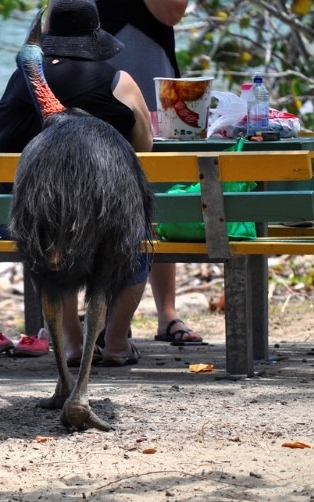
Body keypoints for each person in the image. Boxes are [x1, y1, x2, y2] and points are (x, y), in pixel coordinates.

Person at [0, 0, 153, 365]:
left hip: (24, 217)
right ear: (93, 39)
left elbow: (4, 144)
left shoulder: (22, 80)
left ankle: (72, 342)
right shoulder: (119, 81)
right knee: (132, 243)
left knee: (49, 238)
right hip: (105, 217)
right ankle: (115, 344)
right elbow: (145, 149)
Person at [96, 0, 204, 345]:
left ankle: (167, 313)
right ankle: (100, 315)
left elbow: (171, 13)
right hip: (92, 67)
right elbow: (55, 24)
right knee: (94, 191)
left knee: (159, 190)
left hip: (152, 66)